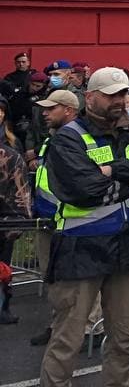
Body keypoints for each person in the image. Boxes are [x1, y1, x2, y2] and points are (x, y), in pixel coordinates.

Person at [40, 66, 129, 387]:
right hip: (81, 249)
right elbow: (86, 191)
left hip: (128, 249)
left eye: (123, 93)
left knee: (125, 339)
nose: (119, 100)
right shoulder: (69, 137)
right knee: (67, 342)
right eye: (111, 95)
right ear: (90, 98)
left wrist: (114, 170)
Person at [26, 88, 80, 346]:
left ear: (68, 110)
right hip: (46, 218)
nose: (45, 114)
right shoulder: (51, 140)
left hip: (68, 220)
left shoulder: (78, 139)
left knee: (76, 279)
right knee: (52, 277)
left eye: (51, 109)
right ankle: (57, 324)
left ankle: (89, 327)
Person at [0, 95, 32, 323]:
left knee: (3, 268)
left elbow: (21, 189)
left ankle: (3, 306)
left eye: (2, 110)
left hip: (5, 222)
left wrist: (16, 223)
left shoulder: (11, 148)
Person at [1, 51, 36, 150]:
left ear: (28, 63)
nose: (21, 64)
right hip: (14, 115)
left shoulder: (34, 75)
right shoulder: (9, 78)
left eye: (23, 62)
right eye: (18, 62)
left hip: (31, 115)